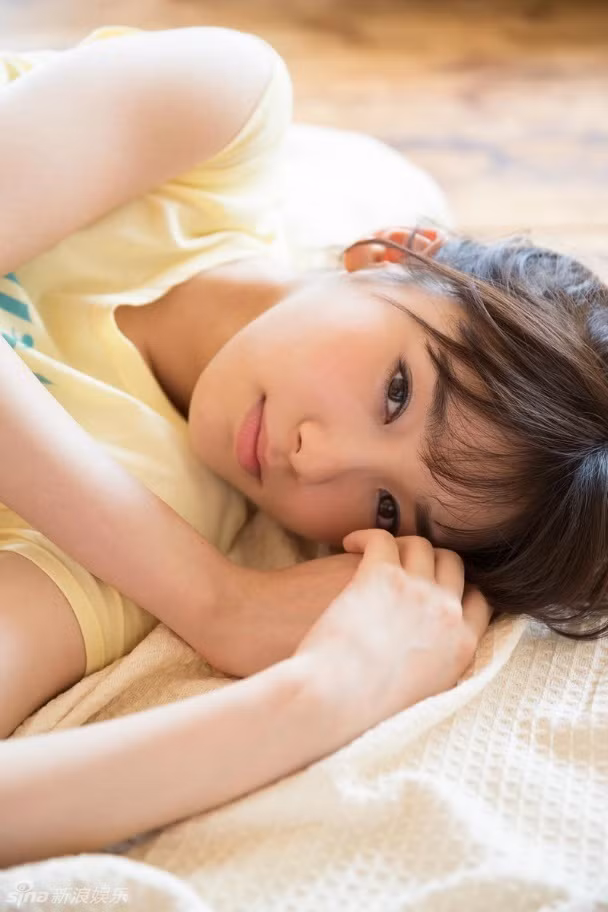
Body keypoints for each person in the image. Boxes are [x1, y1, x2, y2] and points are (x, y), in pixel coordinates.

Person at [0, 24, 602, 860]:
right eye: (397, 393)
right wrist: (214, 601)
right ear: (393, 253)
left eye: (387, 509)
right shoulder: (214, 119)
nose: (315, 459)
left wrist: (316, 700)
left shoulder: (121, 543)